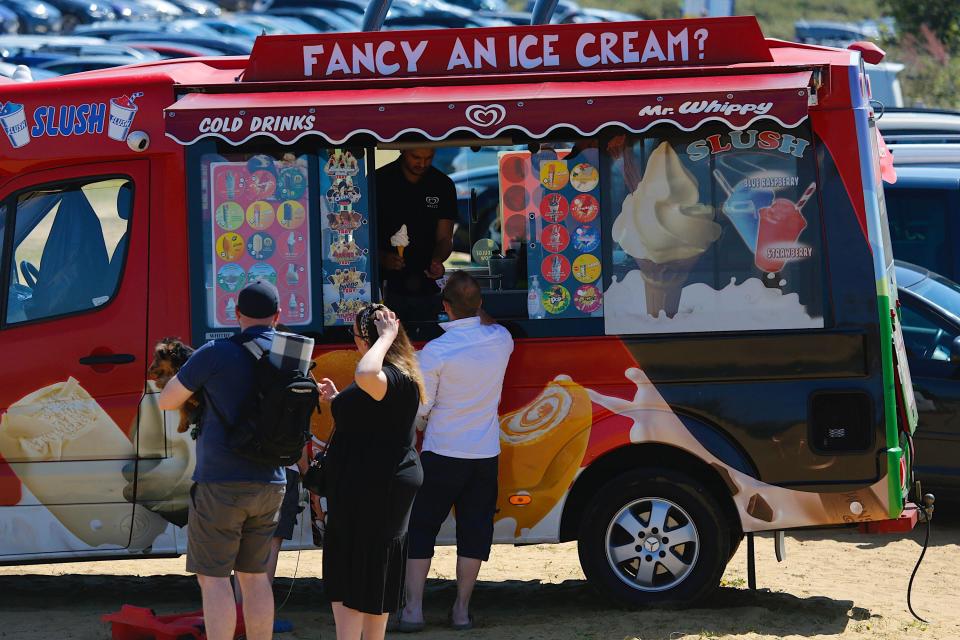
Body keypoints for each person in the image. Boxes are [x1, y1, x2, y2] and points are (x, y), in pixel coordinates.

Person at [157, 281, 287, 640]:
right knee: (255, 577)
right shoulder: (292, 354)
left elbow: (168, 400)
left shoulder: (215, 352)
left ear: (236, 315)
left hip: (221, 482)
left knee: (214, 580)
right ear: (278, 316)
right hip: (272, 481)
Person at [394, 272, 514, 632]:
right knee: (475, 530)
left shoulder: (436, 352)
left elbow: (422, 409)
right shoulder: (501, 339)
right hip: (484, 452)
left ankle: (413, 610)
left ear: (444, 307)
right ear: (480, 304)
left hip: (443, 450)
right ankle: (461, 610)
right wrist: (474, 302)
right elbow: (486, 319)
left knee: (421, 528)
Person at [316, 303, 426, 640]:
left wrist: (385, 337)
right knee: (360, 571)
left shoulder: (389, 376)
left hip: (376, 489)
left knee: (364, 570)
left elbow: (366, 376)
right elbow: (371, 412)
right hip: (364, 486)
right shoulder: (387, 376)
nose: (354, 344)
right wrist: (338, 400)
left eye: (356, 337)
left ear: (369, 338)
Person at [377, 148, 457, 321]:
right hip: (385, 285)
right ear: (402, 149)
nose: (422, 163)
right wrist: (382, 258)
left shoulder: (442, 184)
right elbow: (359, 238)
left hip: (427, 286)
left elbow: (445, 238)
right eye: (416, 157)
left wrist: (437, 260)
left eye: (428, 158)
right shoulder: (379, 181)